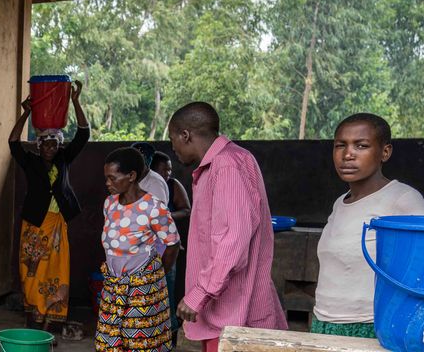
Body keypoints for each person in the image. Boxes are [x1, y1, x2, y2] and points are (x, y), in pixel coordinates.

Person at [166, 102, 286, 352]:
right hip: (226, 312)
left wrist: (200, 293)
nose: (173, 147)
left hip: (233, 314)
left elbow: (232, 241)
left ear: (185, 135)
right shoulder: (227, 162)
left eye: (172, 139)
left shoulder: (227, 165)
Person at [312, 113, 424, 338]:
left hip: (370, 327)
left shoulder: (403, 199)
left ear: (385, 152)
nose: (348, 155)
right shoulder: (340, 203)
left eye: (361, 145)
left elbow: (423, 266)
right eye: (340, 145)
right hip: (323, 323)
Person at [8, 80, 88, 331]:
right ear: (39, 145)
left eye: (54, 144)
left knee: (56, 270)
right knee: (32, 272)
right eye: (46, 144)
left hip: (56, 224)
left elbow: (84, 134)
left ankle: (51, 321)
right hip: (34, 224)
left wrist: (75, 101)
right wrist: (26, 113)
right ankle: (34, 315)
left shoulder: (64, 159)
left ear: (59, 145)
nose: (50, 148)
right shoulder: (29, 161)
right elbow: (12, 142)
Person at [95, 147, 179, 352]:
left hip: (142, 289)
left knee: (140, 344)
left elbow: (173, 243)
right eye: (106, 178)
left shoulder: (153, 207)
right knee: (109, 343)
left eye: (113, 178)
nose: (107, 183)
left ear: (132, 176)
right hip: (114, 288)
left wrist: (156, 276)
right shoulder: (110, 204)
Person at [150, 151, 191, 333]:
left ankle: (171, 329)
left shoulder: (172, 185)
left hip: (167, 245)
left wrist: (164, 217)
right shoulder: (142, 185)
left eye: (169, 169)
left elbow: (186, 210)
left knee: (167, 287)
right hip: (146, 248)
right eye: (163, 169)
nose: (167, 173)